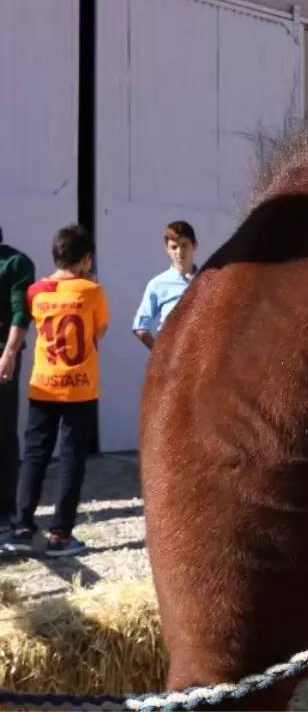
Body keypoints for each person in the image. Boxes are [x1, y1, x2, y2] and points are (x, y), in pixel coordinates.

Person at [2, 225, 109, 557]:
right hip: (80, 388)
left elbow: (28, 317)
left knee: (34, 456)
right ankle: (60, 535)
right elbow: (100, 331)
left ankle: (21, 527)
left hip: (44, 385)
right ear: (86, 258)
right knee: (72, 460)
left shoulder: (36, 291)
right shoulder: (92, 291)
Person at [0, 226, 36, 536]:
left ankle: (4, 509)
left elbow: (19, 313)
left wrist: (9, 353)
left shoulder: (16, 263)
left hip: (1, 355)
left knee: (2, 431)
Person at [132, 220, 198, 351]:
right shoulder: (158, 284)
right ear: (167, 249)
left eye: (184, 245)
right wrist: (161, 355)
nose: (179, 252)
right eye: (174, 247)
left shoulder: (207, 280)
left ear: (194, 245)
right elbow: (140, 327)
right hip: (172, 361)